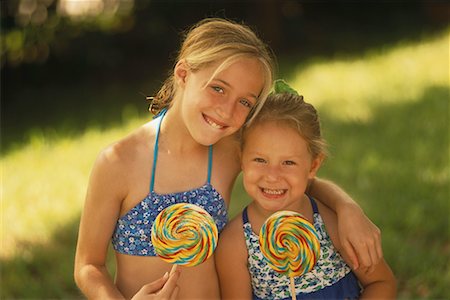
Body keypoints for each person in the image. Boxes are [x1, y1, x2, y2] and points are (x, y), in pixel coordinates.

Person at [74, 18, 382, 299]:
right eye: (218, 88)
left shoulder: (228, 149)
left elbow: (292, 178)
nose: (227, 111)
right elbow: (88, 266)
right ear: (183, 74)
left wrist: (348, 209)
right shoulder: (118, 163)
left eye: (245, 102)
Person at [215, 85, 397, 299]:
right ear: (241, 158)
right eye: (260, 160)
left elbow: (382, 283)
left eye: (288, 162)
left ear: (313, 166)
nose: (272, 175)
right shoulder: (235, 244)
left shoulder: (331, 224)